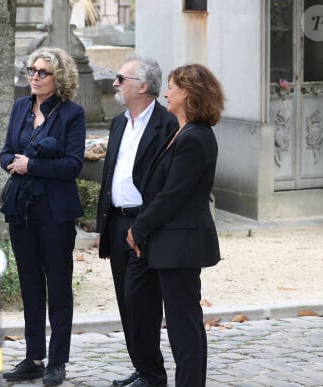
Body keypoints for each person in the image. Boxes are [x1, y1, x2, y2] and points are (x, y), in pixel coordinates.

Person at [125, 63, 225, 387]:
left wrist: (139, 227)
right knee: (182, 324)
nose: (166, 92)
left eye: (171, 87)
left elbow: (173, 195)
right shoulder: (179, 131)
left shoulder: (196, 137)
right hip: (167, 243)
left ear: (188, 93)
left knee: (185, 326)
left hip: (181, 244)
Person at [0, 47, 86, 386]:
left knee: (59, 288)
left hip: (55, 213)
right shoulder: (21, 107)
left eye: (42, 72)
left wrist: (30, 164)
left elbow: (72, 165)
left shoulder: (72, 114)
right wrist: (15, 161)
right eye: (31, 70)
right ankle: (34, 357)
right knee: (30, 285)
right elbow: (6, 150)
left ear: (58, 77)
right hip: (21, 210)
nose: (34, 76)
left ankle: (57, 361)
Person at [95, 56, 178, 387]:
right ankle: (142, 366)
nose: (115, 83)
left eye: (121, 78)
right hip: (116, 222)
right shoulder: (118, 123)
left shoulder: (166, 124)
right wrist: (102, 226)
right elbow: (109, 175)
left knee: (141, 302)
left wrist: (144, 228)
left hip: (144, 225)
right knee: (125, 301)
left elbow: (167, 185)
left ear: (143, 86)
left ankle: (153, 375)